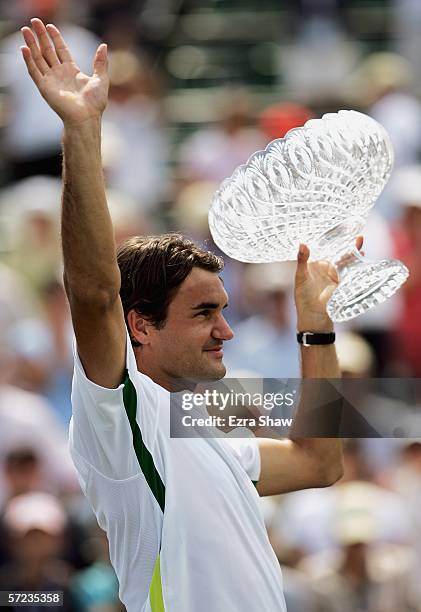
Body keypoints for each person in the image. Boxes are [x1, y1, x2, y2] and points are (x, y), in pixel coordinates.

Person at [20, 18, 349, 611]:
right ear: (139, 326)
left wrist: (316, 328)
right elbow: (94, 294)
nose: (226, 330)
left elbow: (319, 462)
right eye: (203, 313)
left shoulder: (201, 424)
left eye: (223, 310)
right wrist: (82, 130)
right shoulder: (120, 418)